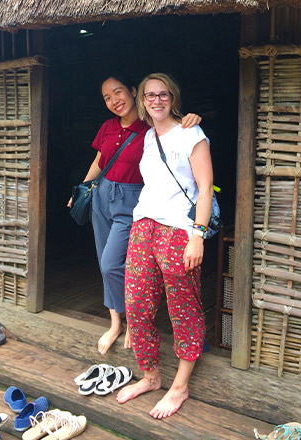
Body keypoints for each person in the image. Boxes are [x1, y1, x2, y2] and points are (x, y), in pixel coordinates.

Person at [68, 75, 201, 355]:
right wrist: (81, 188)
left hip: (132, 199)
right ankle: (115, 322)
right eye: (107, 97)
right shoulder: (107, 127)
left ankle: (133, 321)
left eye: (118, 92)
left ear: (132, 92)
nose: (114, 100)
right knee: (103, 258)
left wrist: (191, 118)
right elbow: (99, 161)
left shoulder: (150, 127)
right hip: (102, 195)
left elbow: (176, 127)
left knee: (114, 264)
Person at [116, 73, 214, 419]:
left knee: (183, 306)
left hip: (178, 231)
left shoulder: (191, 134)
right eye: (150, 95)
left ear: (173, 97)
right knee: (137, 305)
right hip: (144, 226)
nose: (156, 100)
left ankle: (180, 386)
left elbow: (205, 189)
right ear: (141, 100)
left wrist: (197, 235)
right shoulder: (145, 137)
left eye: (163, 94)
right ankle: (151, 376)